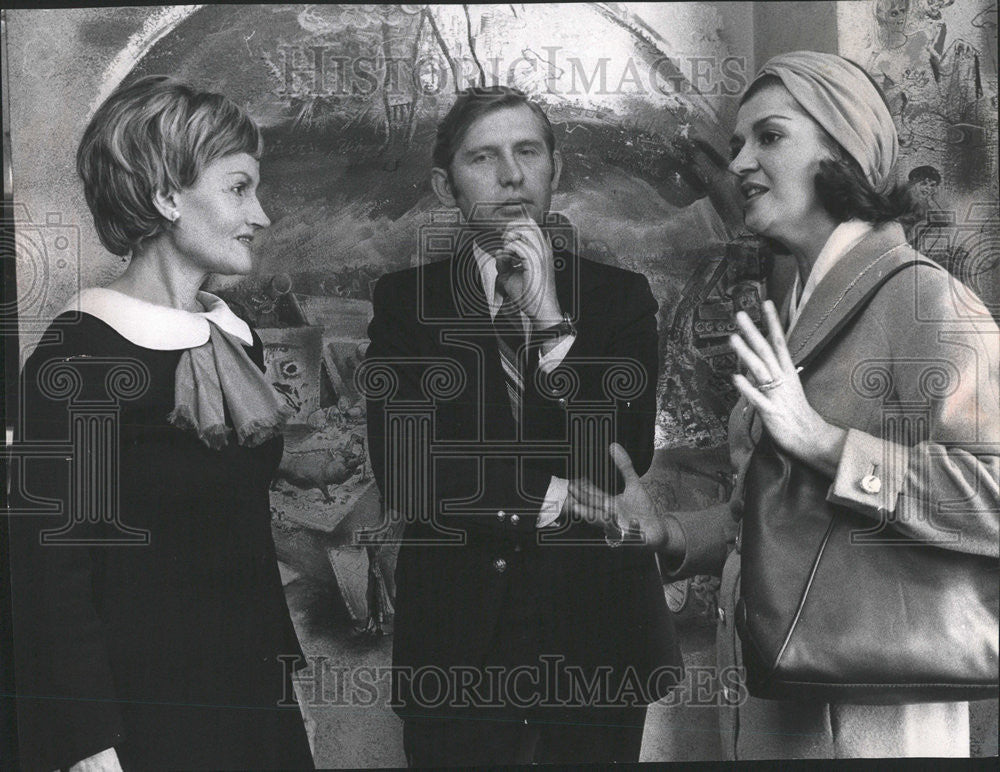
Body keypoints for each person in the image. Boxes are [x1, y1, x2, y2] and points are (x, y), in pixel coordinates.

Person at [567, 51, 999, 758]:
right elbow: (781, 520)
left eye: (769, 137)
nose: (738, 163)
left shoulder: (923, 299)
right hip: (773, 692)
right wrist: (671, 535)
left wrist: (827, 443)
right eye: (738, 143)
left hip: (873, 720)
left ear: (844, 148)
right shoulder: (799, 303)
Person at [364, 86, 682, 766]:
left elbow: (618, 460)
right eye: (484, 157)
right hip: (455, 651)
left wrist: (549, 324)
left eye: (527, 152)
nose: (511, 174)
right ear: (445, 184)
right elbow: (408, 472)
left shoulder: (619, 297)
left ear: (554, 170)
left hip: (598, 645)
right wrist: (556, 499)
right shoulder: (404, 305)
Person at [9, 76, 314, 770]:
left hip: (250, 702)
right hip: (144, 719)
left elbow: (237, 533)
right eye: (239, 188)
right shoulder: (78, 356)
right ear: (166, 195)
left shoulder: (236, 340)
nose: (260, 214)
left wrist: (282, 701)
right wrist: (88, 745)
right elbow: (46, 576)